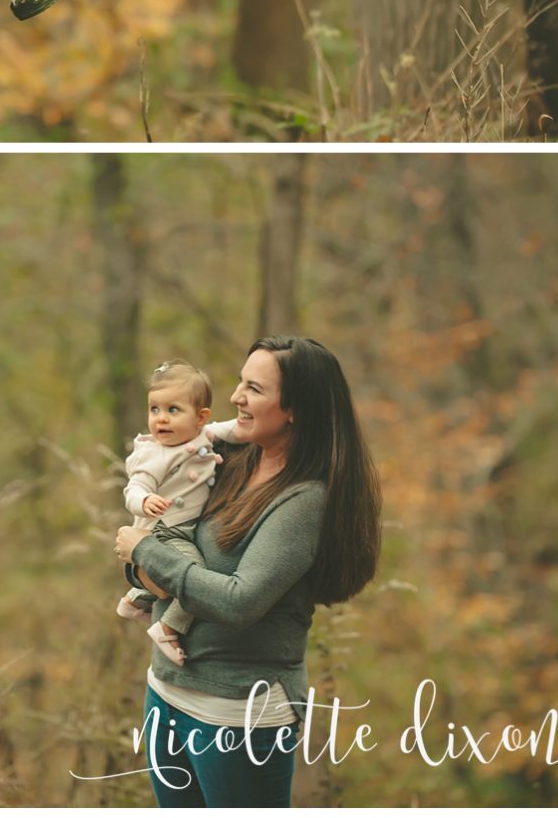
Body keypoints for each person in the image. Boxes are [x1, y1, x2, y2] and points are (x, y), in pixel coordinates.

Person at [112, 336, 382, 808]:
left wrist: (146, 555)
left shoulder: (303, 501)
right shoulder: (224, 460)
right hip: (166, 691)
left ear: (296, 408)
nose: (235, 397)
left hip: (237, 712)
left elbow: (237, 602)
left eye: (254, 388)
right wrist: (142, 567)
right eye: (240, 382)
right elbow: (152, 552)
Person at [114, 359, 248, 663]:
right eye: (154, 410)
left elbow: (235, 430)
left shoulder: (203, 436)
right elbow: (133, 488)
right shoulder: (153, 453)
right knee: (195, 579)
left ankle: (135, 600)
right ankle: (168, 626)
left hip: (184, 527)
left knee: (183, 572)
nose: (161, 419)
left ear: (200, 417)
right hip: (164, 529)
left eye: (173, 410)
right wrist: (144, 500)